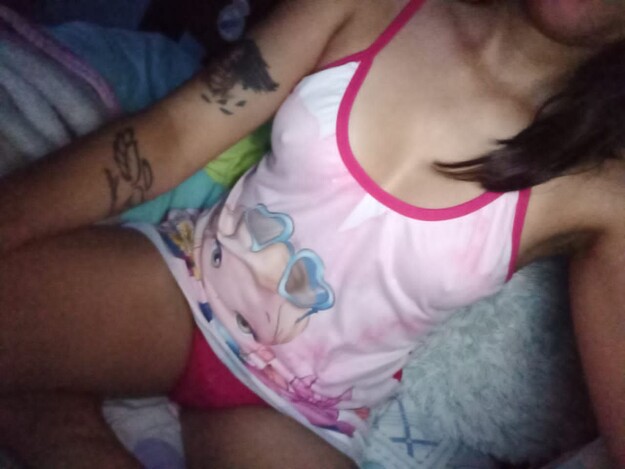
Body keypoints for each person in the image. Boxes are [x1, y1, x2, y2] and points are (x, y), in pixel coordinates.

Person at [1, 0, 625, 466]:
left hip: (301, 415)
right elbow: (174, 133)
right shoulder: (366, 6)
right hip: (183, 290)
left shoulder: (605, 190)